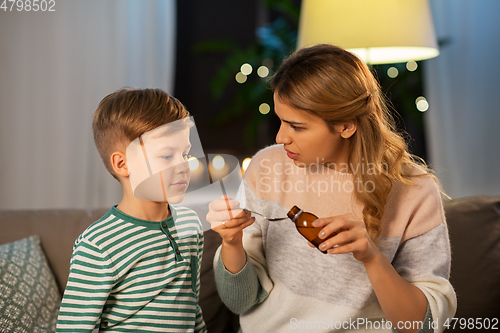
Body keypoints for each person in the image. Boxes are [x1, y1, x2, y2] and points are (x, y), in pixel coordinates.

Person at [207, 44, 456, 333]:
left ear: (346, 126)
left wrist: (371, 257)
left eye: (297, 126)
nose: (280, 136)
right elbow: (241, 301)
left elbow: (421, 326)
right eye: (280, 121)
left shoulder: (414, 189)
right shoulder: (266, 168)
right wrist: (232, 242)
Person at [56, 88, 207, 332]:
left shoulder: (191, 224)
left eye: (185, 153)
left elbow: (191, 309)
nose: (183, 166)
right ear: (122, 164)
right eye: (167, 156)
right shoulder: (98, 244)